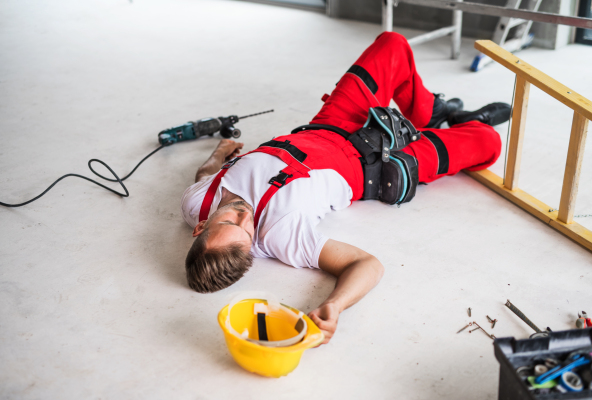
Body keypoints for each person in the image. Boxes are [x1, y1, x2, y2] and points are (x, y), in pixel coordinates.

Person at [180, 32, 510, 344]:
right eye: (246, 231)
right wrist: (335, 306)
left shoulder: (197, 202)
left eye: (227, 223)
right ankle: (465, 122)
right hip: (376, 162)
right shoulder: (281, 235)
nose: (242, 216)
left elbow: (203, 175)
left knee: (392, 45)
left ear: (200, 226)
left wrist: (218, 153)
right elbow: (367, 264)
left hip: (331, 122)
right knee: (488, 143)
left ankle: (429, 112)